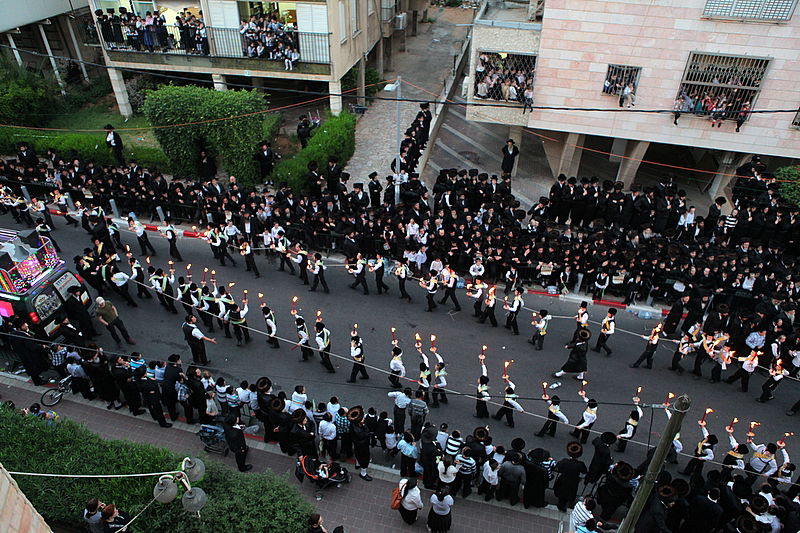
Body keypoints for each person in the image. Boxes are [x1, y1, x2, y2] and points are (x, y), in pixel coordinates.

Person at [554, 442, 588, 512]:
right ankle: (566, 504)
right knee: (570, 493)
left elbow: (557, 467)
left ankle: (561, 504)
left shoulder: (564, 461)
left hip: (563, 480)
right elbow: (584, 471)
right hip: (573, 481)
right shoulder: (580, 464)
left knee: (561, 493)